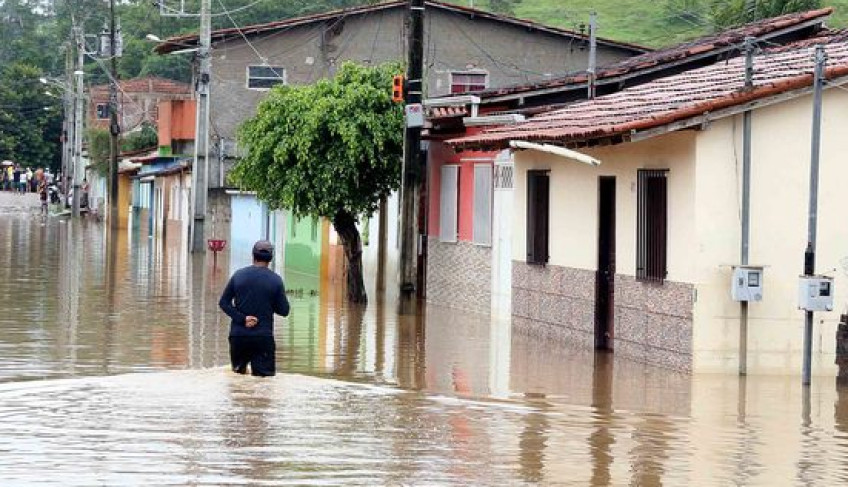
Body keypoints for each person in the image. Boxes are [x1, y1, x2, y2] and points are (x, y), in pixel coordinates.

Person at [219, 240, 290, 376]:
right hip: (263, 338)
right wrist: (269, 300)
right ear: (271, 258)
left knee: (238, 379)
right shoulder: (276, 280)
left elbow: (224, 303)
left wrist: (242, 318)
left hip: (238, 336)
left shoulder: (238, 275)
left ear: (253, 255)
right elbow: (284, 311)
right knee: (264, 382)